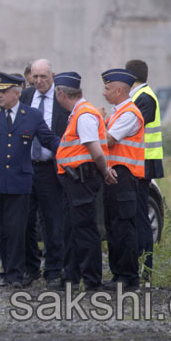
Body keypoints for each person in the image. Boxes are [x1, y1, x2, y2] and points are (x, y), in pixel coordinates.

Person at [0, 71, 59, 289]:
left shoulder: (32, 115)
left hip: (19, 181)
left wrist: (73, 148)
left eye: (3, 91)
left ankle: (13, 274)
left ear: (16, 93)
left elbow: (49, 139)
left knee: (15, 229)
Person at [54, 71, 116, 291]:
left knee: (85, 229)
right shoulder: (79, 113)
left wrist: (105, 170)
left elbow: (96, 151)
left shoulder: (84, 115)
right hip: (75, 181)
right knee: (72, 229)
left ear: (61, 94)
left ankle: (92, 280)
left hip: (82, 179)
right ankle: (70, 277)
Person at [19, 59, 68, 285]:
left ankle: (53, 269)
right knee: (25, 220)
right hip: (26, 168)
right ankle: (31, 268)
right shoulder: (26, 97)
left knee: (53, 221)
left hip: (51, 169)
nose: (38, 81)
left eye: (43, 77)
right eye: (35, 77)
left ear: (53, 75)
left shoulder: (61, 99)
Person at [101, 68, 145, 291]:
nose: (104, 92)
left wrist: (94, 128)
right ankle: (118, 273)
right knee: (113, 225)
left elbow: (108, 140)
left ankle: (128, 277)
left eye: (107, 89)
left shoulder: (129, 113)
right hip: (114, 175)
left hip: (124, 176)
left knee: (123, 227)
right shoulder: (118, 111)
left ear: (119, 90)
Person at [125, 59, 162, 280]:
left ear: (129, 78)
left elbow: (132, 126)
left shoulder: (144, 98)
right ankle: (142, 262)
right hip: (141, 160)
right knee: (138, 212)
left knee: (141, 214)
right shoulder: (140, 96)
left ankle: (146, 265)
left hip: (144, 161)